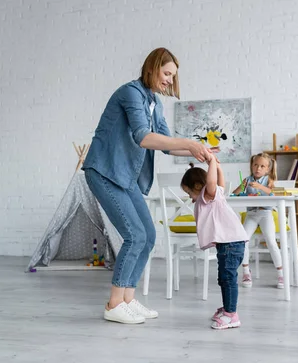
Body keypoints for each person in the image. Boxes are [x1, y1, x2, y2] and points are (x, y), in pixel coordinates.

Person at [82, 47, 215, 324]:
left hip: (125, 177)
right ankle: (114, 303)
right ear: (153, 67)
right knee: (134, 236)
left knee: (149, 236)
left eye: (172, 76)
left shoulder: (155, 102)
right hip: (105, 171)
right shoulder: (130, 93)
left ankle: (128, 300)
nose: (169, 80)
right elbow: (143, 137)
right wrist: (189, 144)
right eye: (166, 73)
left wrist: (198, 150)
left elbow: (166, 146)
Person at [181, 158, 248, 330]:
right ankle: (227, 309)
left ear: (197, 186)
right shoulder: (215, 195)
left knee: (228, 279)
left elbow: (212, 181)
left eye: (189, 193)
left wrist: (211, 162)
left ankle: (231, 315)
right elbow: (220, 182)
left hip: (230, 243)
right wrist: (218, 167)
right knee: (224, 278)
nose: (190, 198)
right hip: (228, 244)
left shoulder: (208, 195)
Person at [232, 152, 284, 289]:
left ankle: (280, 274)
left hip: (265, 214)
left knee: (271, 242)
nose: (258, 168)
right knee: (243, 241)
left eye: (262, 166)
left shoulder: (269, 180)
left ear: (267, 169)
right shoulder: (247, 180)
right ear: (251, 166)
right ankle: (246, 272)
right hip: (252, 215)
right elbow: (234, 194)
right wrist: (241, 186)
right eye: (255, 165)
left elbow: (273, 194)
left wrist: (260, 187)